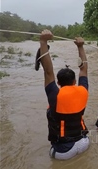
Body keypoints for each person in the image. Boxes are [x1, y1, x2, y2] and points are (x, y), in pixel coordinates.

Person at [35, 29, 89, 160]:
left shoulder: (55, 95)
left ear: (58, 82)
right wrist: (81, 47)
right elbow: (84, 68)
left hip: (63, 151)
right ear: (75, 81)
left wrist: (43, 42)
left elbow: (48, 72)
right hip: (84, 143)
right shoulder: (83, 90)